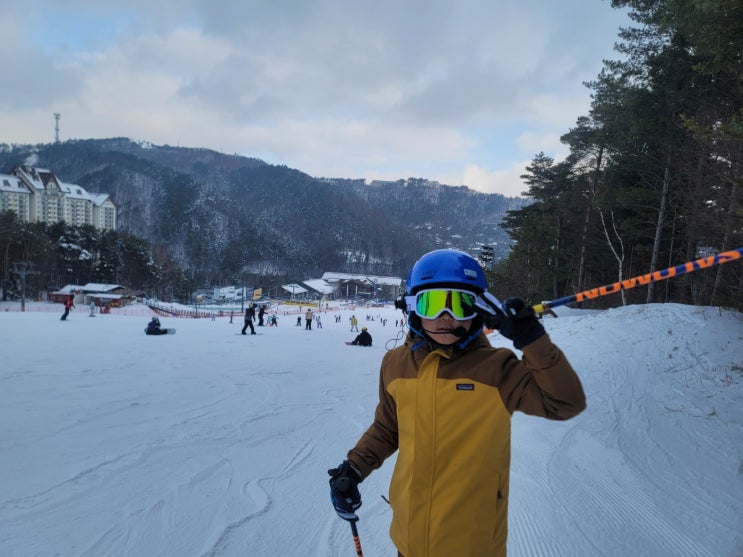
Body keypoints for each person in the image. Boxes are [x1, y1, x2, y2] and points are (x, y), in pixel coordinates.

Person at [328, 249, 586, 557]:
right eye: (432, 304)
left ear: (478, 310)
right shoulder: (396, 364)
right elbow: (387, 428)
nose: (445, 317)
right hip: (408, 539)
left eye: (460, 305)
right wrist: (354, 468)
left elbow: (565, 402)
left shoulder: (497, 368)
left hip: (471, 543)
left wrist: (531, 339)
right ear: (412, 308)